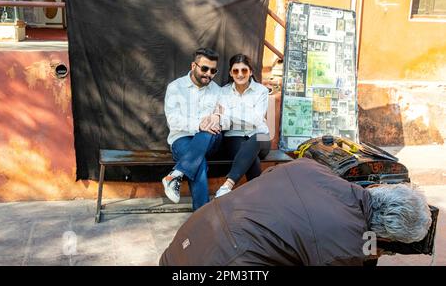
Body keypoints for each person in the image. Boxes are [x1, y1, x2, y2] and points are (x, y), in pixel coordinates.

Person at [159, 158, 432, 266]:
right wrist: (367, 251)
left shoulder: (311, 167)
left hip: (184, 243)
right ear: (385, 236)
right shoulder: (345, 249)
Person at [162, 47, 223, 211]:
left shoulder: (217, 90)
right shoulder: (175, 87)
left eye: (213, 70)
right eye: (204, 68)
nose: (208, 73)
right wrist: (198, 124)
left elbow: (225, 115)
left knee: (208, 132)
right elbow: (173, 121)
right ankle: (202, 216)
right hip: (181, 139)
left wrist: (218, 117)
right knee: (199, 163)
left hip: (211, 140)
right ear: (193, 66)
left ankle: (175, 175)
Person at [214, 54, 271, 198]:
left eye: (244, 70)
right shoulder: (223, 92)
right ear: (230, 73)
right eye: (236, 71)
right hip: (234, 137)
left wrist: (230, 116)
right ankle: (258, 199)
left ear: (250, 71)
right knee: (252, 158)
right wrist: (232, 118)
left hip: (261, 136)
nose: (240, 74)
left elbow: (256, 121)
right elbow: (224, 123)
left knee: (256, 138)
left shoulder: (261, 91)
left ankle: (228, 184)